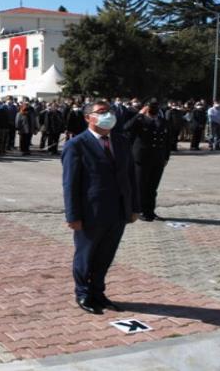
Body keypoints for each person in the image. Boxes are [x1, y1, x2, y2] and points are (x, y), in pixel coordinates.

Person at [62, 100, 140, 315]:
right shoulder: (76, 145)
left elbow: (131, 177)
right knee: (85, 256)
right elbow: (70, 184)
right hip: (91, 213)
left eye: (110, 111)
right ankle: (83, 293)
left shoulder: (122, 142)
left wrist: (134, 207)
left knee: (105, 255)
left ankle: (98, 292)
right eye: (102, 112)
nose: (108, 115)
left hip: (117, 211)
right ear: (89, 118)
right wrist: (73, 215)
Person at [124, 99, 170, 222]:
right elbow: (126, 128)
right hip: (141, 158)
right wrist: (139, 114)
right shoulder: (140, 120)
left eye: (156, 106)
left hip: (158, 159)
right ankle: (139, 211)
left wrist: (166, 157)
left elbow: (167, 141)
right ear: (146, 107)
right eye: (151, 106)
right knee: (140, 187)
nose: (154, 108)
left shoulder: (163, 121)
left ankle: (150, 211)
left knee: (152, 187)